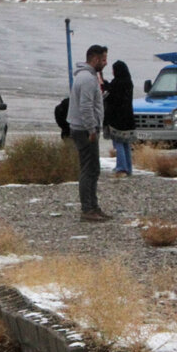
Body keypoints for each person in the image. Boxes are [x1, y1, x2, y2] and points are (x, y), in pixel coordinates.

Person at [67, 44, 109, 221]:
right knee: (88, 169)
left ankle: (93, 206)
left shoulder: (89, 77)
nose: (106, 63)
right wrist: (92, 129)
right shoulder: (87, 79)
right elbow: (85, 107)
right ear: (95, 59)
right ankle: (87, 209)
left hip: (84, 128)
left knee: (94, 168)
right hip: (84, 130)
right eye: (104, 59)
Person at [103, 60, 135, 176]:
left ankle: (121, 167)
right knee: (126, 143)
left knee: (119, 143)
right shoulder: (128, 82)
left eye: (113, 69)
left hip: (118, 119)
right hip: (128, 119)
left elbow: (112, 97)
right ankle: (128, 167)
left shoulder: (117, 83)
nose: (112, 72)